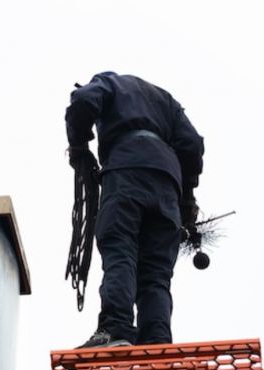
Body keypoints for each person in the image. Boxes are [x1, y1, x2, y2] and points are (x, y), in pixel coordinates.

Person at [65, 71, 204, 348]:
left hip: (127, 174)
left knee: (121, 249)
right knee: (156, 273)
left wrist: (78, 144)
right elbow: (192, 144)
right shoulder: (168, 103)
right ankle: (157, 343)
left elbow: (83, 100)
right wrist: (187, 197)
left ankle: (115, 329)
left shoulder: (109, 82)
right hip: (168, 188)